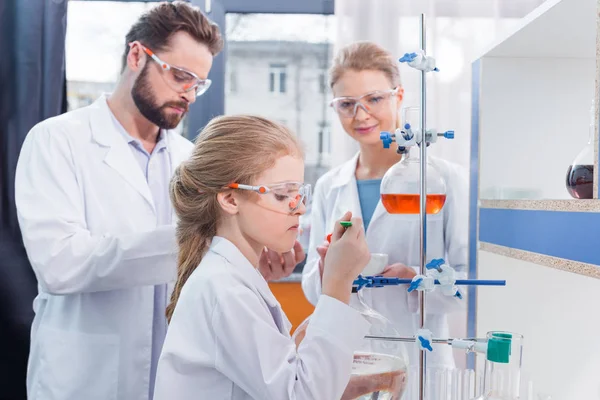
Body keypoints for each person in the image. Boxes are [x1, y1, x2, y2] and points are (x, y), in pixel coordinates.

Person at [14, 3, 300, 400]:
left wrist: (250, 256)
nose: (189, 93)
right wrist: (202, 238)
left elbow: (204, 278)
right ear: (136, 56)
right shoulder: (57, 140)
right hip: (83, 378)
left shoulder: (190, 157)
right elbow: (60, 266)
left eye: (199, 84)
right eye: (181, 75)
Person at [153, 115, 372, 400]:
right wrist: (337, 285)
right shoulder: (224, 289)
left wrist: (328, 306)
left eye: (300, 193)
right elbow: (301, 395)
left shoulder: (233, 277)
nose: (300, 208)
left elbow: (281, 378)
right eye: (282, 195)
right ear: (230, 199)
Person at [301, 41, 469, 370]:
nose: (360, 115)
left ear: (400, 96)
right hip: (349, 359)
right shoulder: (328, 186)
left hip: (422, 363)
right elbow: (311, 288)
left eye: (374, 99)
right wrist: (328, 270)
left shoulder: (445, 179)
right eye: (346, 103)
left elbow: (470, 282)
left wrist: (417, 280)